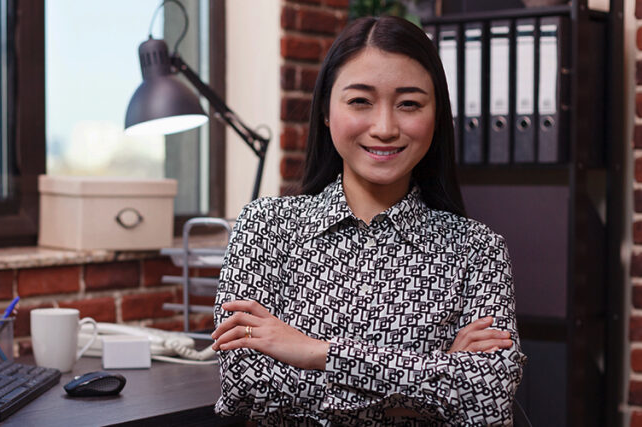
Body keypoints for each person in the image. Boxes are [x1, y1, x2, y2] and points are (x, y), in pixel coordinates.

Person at [210, 15, 526, 425]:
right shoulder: (266, 227)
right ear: (326, 111)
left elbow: (489, 396)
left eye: (409, 104)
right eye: (360, 101)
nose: (385, 127)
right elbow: (245, 383)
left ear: (437, 116)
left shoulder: (476, 249)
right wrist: (433, 380)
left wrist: (314, 352)